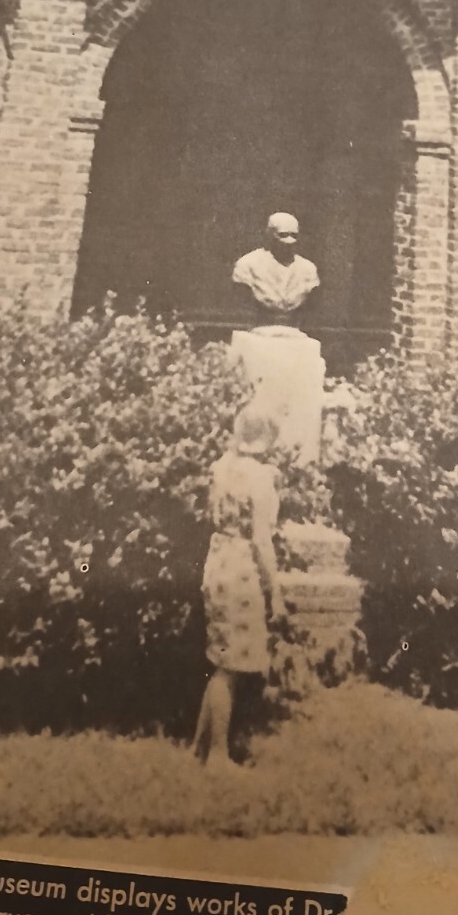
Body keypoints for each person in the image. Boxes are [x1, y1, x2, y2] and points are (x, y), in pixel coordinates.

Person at [192, 408, 286, 767]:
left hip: (218, 560)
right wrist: (274, 592)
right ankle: (218, 755)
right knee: (229, 668)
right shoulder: (261, 478)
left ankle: (199, 750)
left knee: (221, 657)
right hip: (242, 568)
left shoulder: (221, 467)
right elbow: (262, 540)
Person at [231, 212, 320, 325]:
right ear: (269, 235)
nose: (289, 241)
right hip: (260, 328)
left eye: (294, 235)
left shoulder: (308, 269)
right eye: (283, 235)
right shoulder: (247, 264)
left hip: (293, 330)